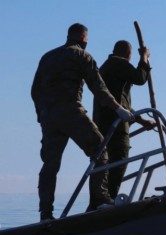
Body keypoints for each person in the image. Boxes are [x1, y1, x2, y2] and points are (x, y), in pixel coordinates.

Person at [31, 23, 134, 221]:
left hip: (49, 117)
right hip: (71, 112)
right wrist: (118, 108)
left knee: (50, 164)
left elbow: (35, 90)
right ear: (84, 38)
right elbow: (98, 87)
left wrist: (41, 115)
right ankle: (100, 199)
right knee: (100, 150)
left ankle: (46, 214)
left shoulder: (47, 57)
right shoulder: (82, 56)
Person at [93, 40, 155, 199]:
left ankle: (99, 200)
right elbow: (140, 78)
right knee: (118, 161)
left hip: (102, 123)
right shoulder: (119, 63)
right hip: (116, 126)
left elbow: (120, 103)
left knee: (104, 163)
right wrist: (144, 57)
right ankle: (109, 200)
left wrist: (142, 121)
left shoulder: (105, 67)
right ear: (128, 54)